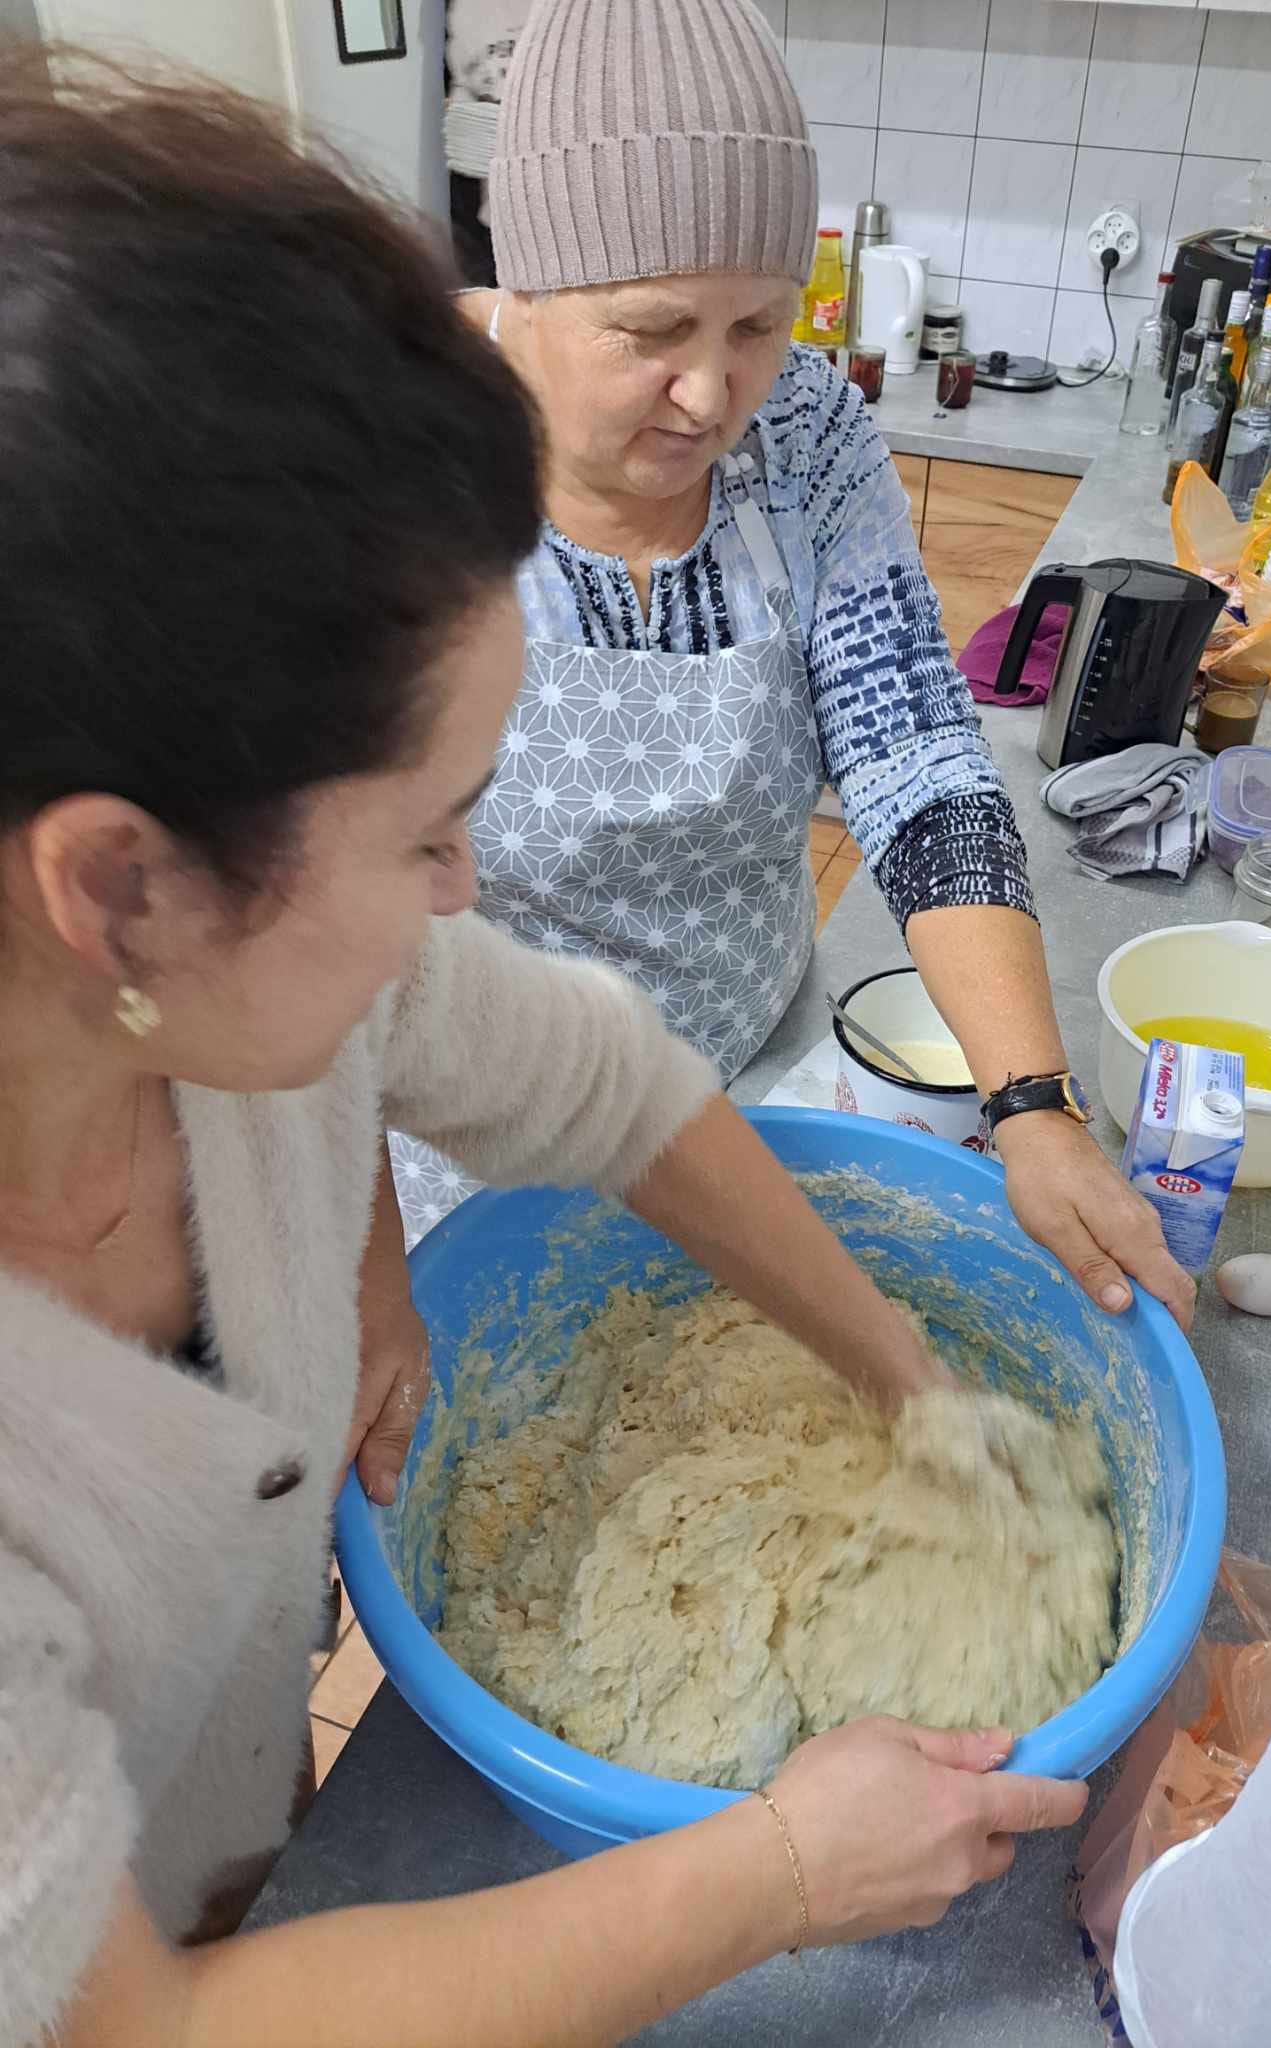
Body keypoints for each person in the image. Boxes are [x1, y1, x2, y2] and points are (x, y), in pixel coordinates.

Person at [0, 59, 1088, 2048]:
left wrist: (915, 1388)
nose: (468, 889)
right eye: (432, 829)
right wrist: (783, 1868)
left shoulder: (257, 989)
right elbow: (130, 2026)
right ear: (123, 887)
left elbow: (615, 1083)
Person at [383, 0, 1193, 1360]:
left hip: (753, 1083)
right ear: (527, 285)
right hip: (472, 1138)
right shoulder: (393, 454)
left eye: (758, 322)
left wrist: (1032, 1103)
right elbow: (320, 920)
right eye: (652, 329)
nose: (713, 396)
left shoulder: (806, 432)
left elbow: (917, 757)